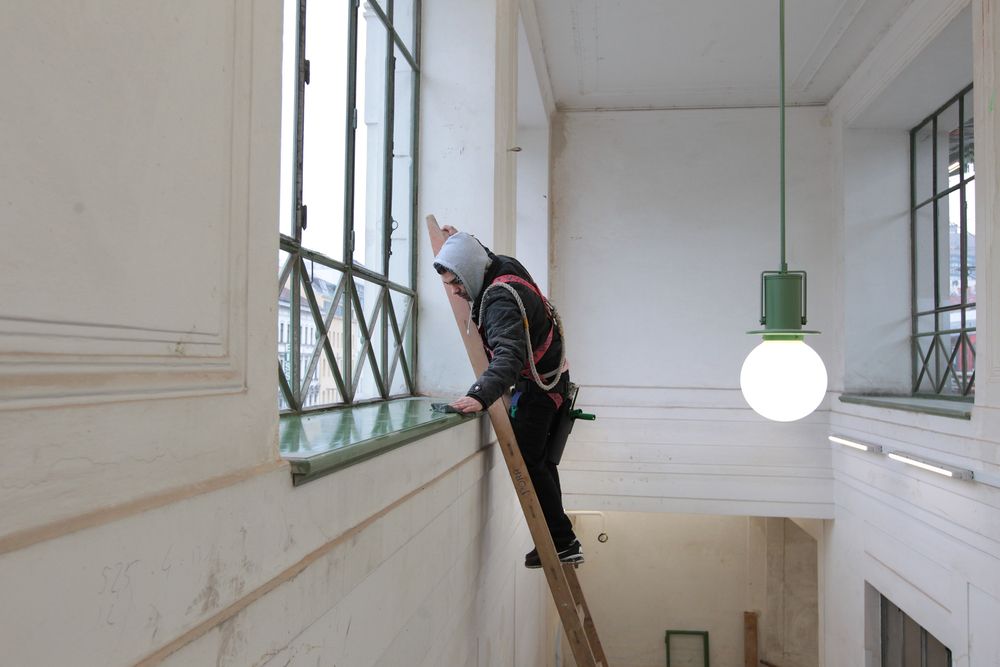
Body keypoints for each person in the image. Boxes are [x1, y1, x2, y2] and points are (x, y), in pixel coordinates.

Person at [433, 225, 582, 568]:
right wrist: (460, 242)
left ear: (471, 270)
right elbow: (479, 256)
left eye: (456, 282)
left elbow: (509, 356)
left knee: (529, 463)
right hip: (553, 380)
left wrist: (480, 395)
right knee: (541, 462)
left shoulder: (499, 300)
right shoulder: (501, 265)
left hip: (540, 389)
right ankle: (562, 540)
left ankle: (562, 541)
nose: (455, 291)